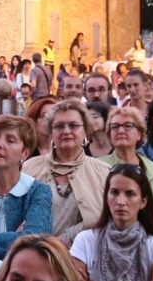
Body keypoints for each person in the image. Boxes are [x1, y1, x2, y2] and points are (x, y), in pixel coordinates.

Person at [22, 97, 106, 238]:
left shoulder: (103, 172)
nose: (66, 131)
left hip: (85, 256)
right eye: (59, 126)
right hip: (36, 253)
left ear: (85, 130)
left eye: (73, 125)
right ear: (51, 132)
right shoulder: (29, 168)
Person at [0, 114, 52, 258]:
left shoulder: (38, 191)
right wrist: (16, 237)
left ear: (24, 153)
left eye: (10, 140)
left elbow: (36, 242)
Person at [102, 103, 153, 220]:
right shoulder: (97, 167)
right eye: (115, 127)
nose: (121, 130)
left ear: (139, 134)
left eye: (128, 126)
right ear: (109, 135)